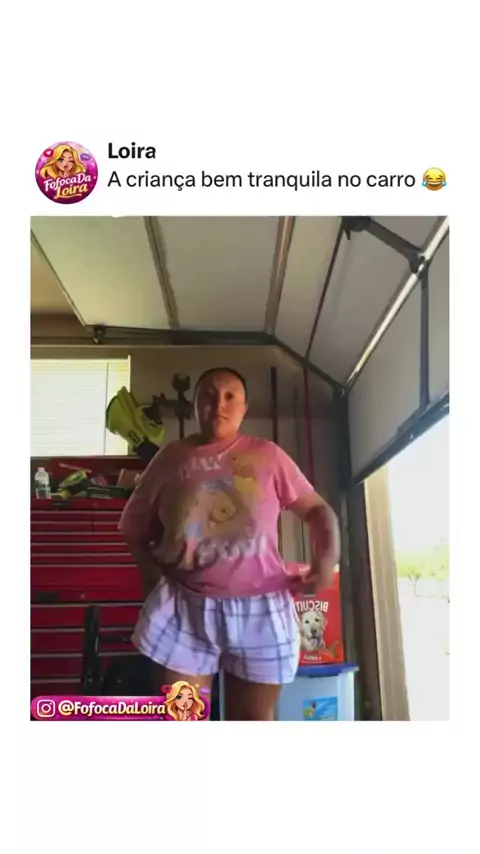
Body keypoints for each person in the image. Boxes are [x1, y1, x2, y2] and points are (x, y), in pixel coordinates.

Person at [119, 367, 340, 721]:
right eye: (208, 395)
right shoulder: (170, 458)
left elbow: (318, 510)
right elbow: (132, 527)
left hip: (262, 609)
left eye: (229, 396)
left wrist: (325, 561)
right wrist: (150, 578)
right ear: (195, 405)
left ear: (244, 408)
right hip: (184, 607)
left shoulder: (268, 455)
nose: (218, 404)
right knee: (181, 719)